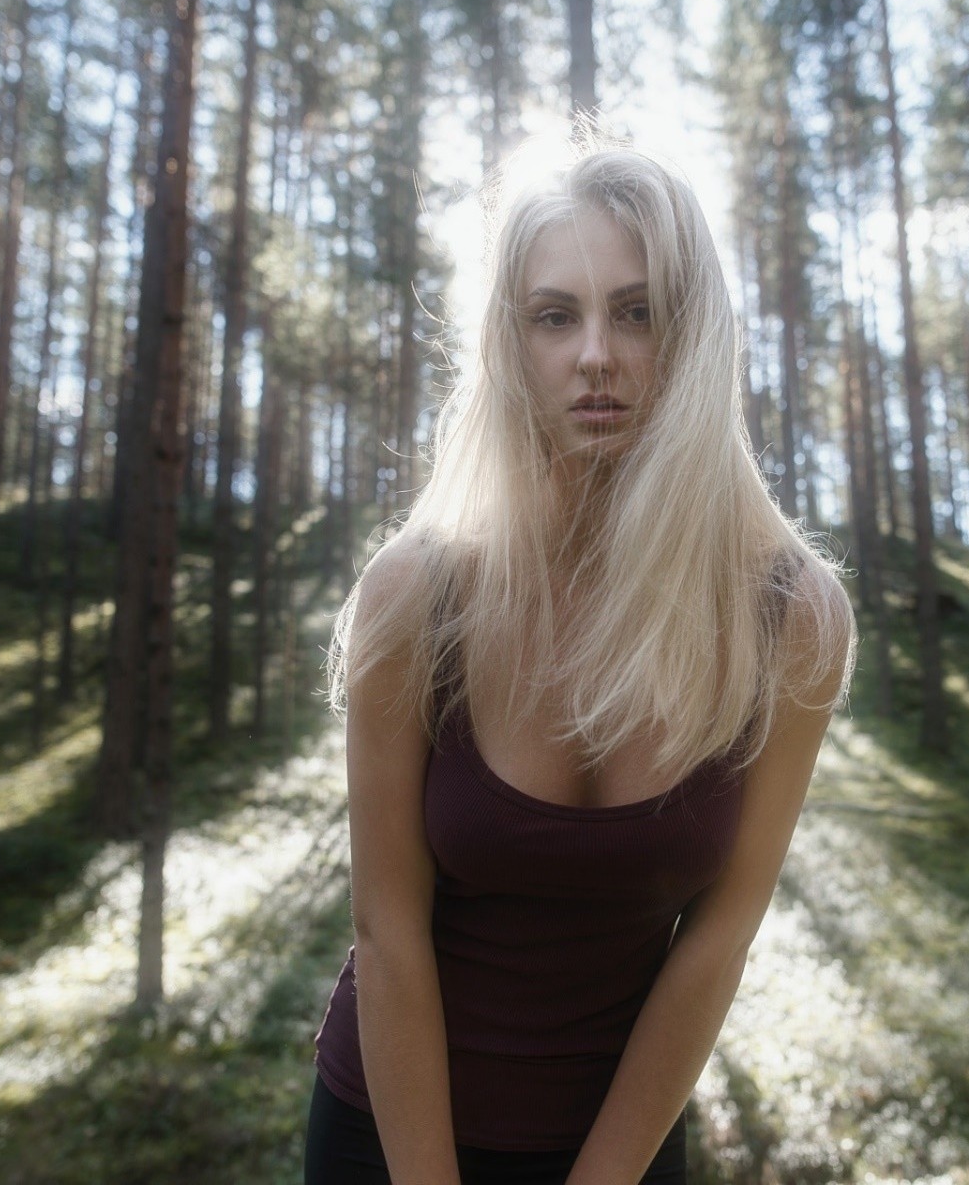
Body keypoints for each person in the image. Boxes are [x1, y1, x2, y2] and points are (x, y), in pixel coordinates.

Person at [304, 138, 856, 1185]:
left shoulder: (791, 617)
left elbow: (720, 935)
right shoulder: (418, 595)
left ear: (693, 335)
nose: (595, 354)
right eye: (555, 315)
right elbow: (386, 930)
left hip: (625, 1146)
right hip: (389, 1135)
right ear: (509, 344)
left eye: (637, 312)